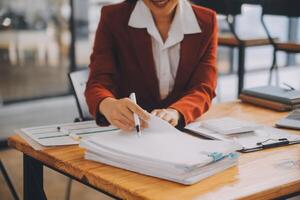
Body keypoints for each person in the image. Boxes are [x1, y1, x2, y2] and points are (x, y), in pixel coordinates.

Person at [85, 0, 217, 131]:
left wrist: (176, 112)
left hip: (181, 132)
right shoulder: (113, 17)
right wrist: (108, 105)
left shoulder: (207, 20)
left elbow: (203, 87)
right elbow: (98, 82)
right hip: (128, 132)